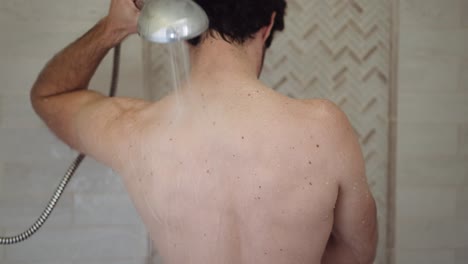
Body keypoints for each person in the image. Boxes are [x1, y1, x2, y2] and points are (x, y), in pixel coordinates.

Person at [30, 0, 377, 263]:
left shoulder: (135, 131)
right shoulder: (326, 129)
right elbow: (356, 252)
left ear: (181, 24)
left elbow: (49, 96)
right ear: (268, 25)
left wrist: (113, 28)